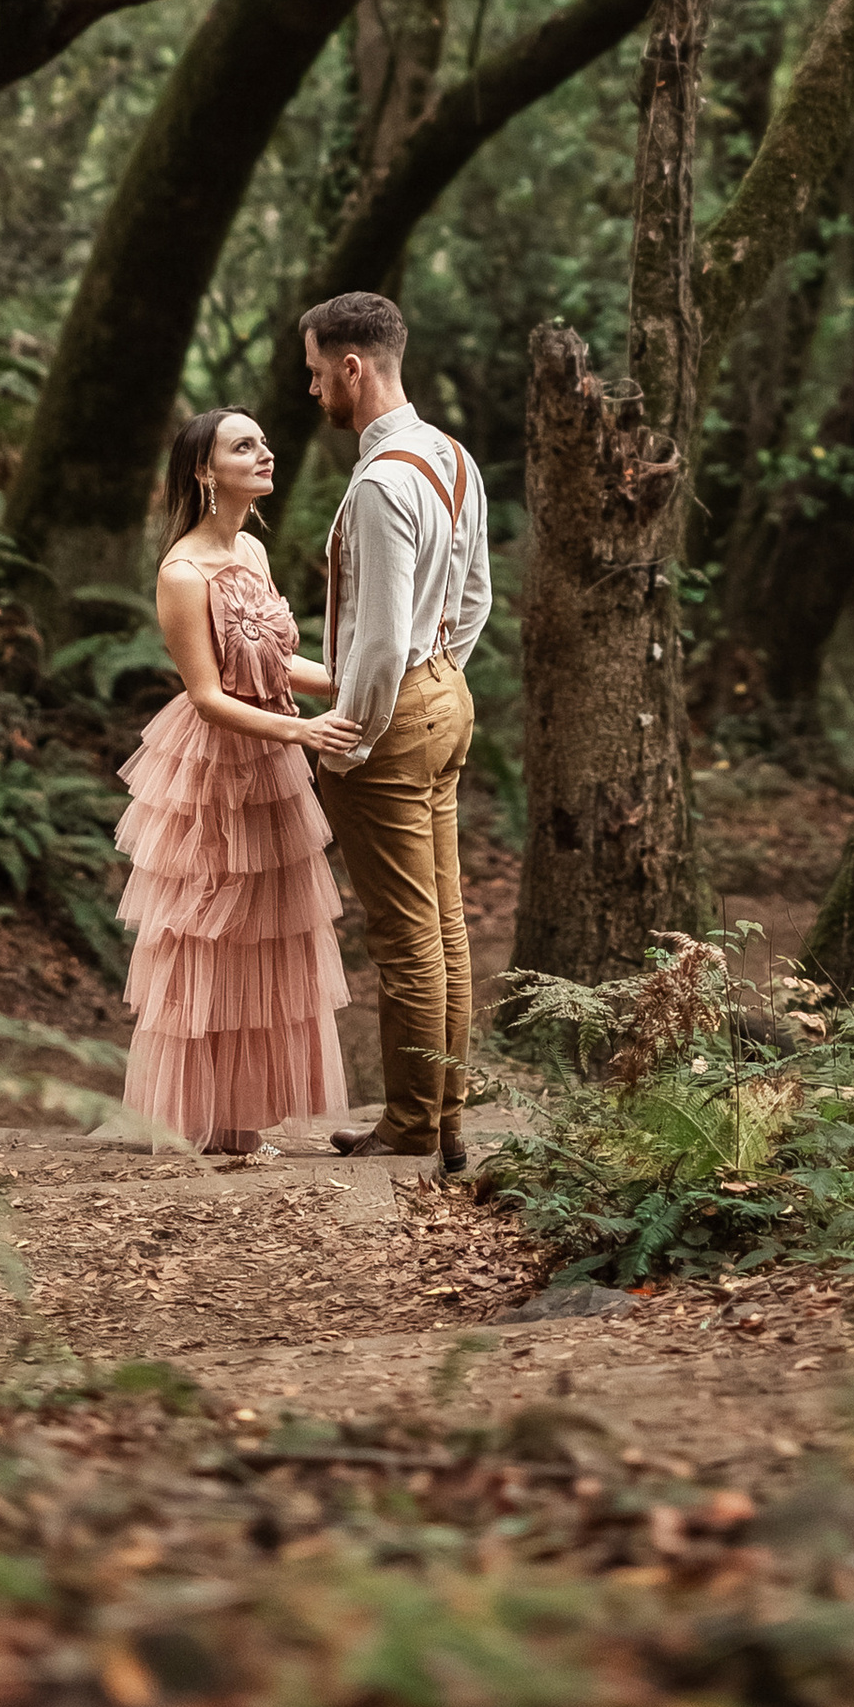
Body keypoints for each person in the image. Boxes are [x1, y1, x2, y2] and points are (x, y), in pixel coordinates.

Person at [114, 407, 359, 1154]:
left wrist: (359, 687)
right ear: (202, 470)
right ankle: (193, 1117)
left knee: (265, 933)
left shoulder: (252, 551)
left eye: (263, 440)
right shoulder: (182, 572)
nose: (265, 452)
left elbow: (276, 666)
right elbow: (208, 695)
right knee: (207, 931)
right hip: (216, 763)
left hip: (273, 757)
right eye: (242, 445)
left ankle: (239, 1116)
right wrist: (302, 729)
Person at [301, 291, 492, 1172]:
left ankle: (416, 1123)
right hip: (445, 695)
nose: (311, 391)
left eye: (315, 373)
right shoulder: (452, 458)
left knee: (407, 933)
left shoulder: (382, 483)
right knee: (443, 921)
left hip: (393, 712)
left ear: (353, 367)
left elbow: (376, 640)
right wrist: (442, 667)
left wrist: (355, 733)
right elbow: (476, 596)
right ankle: (442, 1113)